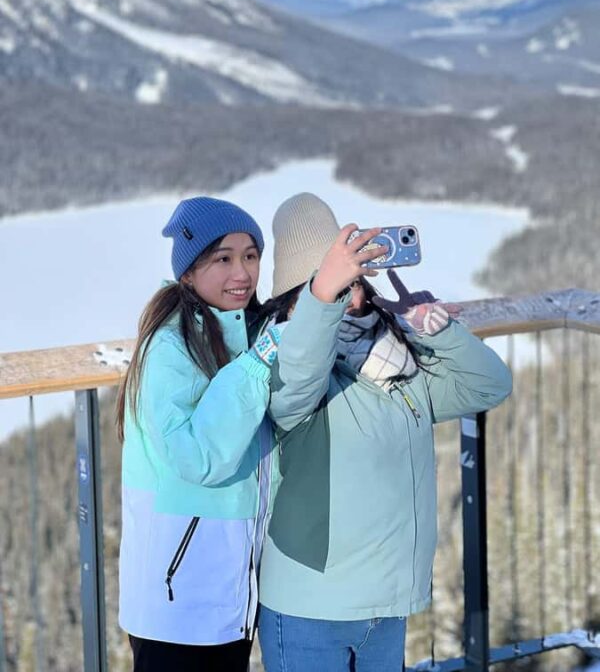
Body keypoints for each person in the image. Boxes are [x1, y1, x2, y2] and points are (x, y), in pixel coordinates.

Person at [257, 192, 513, 672]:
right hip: (311, 610)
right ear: (299, 298)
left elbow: (489, 386)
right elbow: (297, 379)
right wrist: (322, 299)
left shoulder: (399, 365)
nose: (350, 298)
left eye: (353, 283)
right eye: (332, 286)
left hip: (386, 608)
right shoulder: (285, 368)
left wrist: (431, 329)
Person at [115, 196, 283, 672]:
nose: (242, 273)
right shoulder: (169, 346)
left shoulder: (238, 332)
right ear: (188, 272)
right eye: (223, 258)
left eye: (251, 256)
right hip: (178, 604)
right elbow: (198, 458)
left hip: (225, 599)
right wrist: (258, 362)